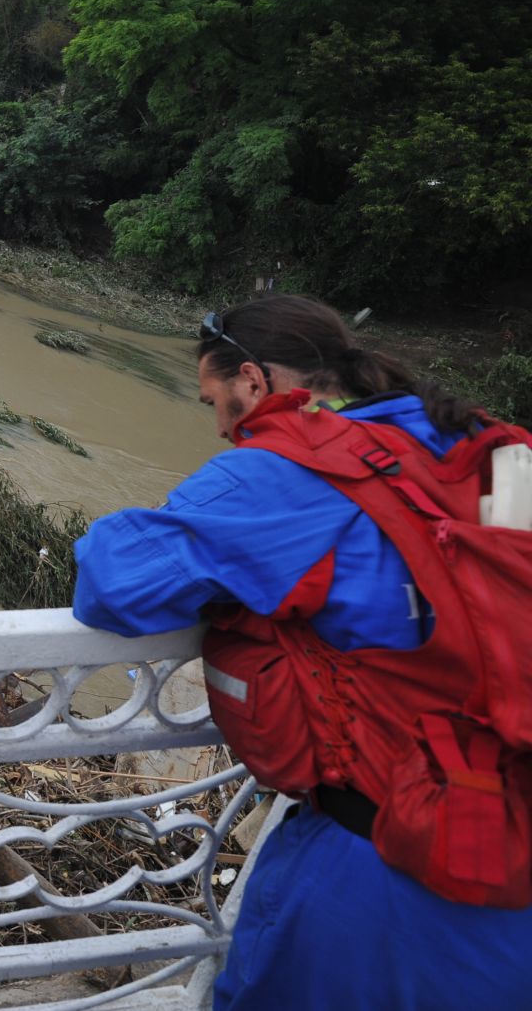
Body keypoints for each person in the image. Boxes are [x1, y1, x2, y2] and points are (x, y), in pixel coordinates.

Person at [74, 295, 532, 1010]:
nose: (223, 427)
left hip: (386, 876)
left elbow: (113, 582)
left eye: (214, 402)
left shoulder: (290, 470)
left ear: (254, 382)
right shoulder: (473, 443)